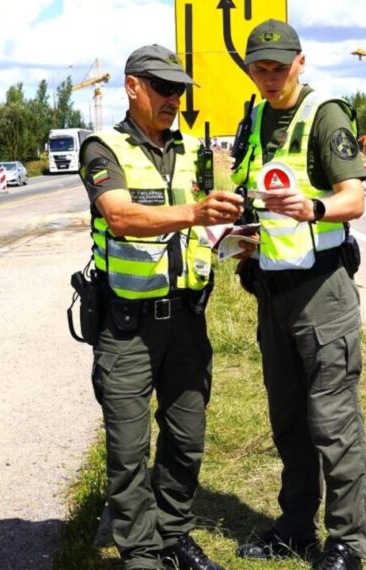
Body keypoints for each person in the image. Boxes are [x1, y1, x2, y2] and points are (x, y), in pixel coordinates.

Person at [78, 43, 245, 570]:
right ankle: (142, 555)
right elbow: (121, 216)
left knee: (186, 440)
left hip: (188, 324)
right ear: (133, 86)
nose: (174, 99)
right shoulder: (102, 148)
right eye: (163, 88)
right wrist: (194, 213)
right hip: (128, 328)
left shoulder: (194, 150)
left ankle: (174, 536)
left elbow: (209, 222)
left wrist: (237, 234)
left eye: (179, 90)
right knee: (128, 452)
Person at [228, 19, 366, 570]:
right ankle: (295, 527)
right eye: (259, 68)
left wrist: (313, 209)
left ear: (300, 62)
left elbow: (354, 198)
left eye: (278, 68)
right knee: (287, 418)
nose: (268, 78)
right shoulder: (256, 115)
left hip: (321, 293)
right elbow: (253, 192)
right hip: (272, 291)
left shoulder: (323, 113)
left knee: (332, 421)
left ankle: (346, 544)